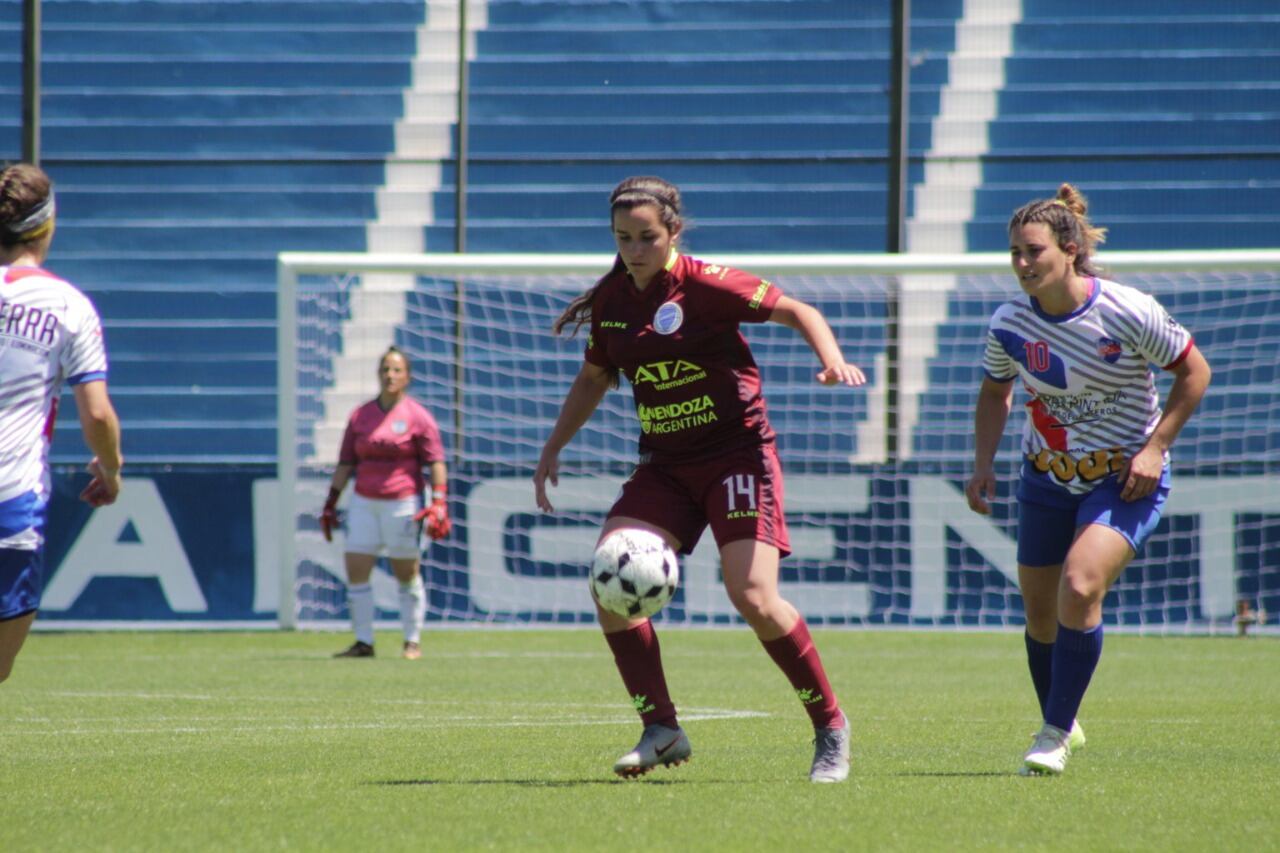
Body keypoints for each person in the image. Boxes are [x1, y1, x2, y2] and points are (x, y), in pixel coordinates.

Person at [533, 176, 866, 783]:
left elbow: (798, 309)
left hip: (737, 455)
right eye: (624, 238)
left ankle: (830, 726)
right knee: (609, 582)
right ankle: (661, 728)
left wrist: (831, 358)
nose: (635, 249)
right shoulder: (613, 301)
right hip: (664, 464)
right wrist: (554, 446)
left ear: (673, 233)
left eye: (647, 238)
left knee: (753, 597)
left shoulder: (708, 284)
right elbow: (592, 379)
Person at [965, 184, 1211, 776]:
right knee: (1040, 612)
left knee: (1079, 587)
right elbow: (996, 391)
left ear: (1069, 249)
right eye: (1015, 254)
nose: (1023, 265)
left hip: (1123, 478)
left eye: (1034, 251)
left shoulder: (1126, 310)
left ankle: (1051, 732)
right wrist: (981, 465)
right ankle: (1064, 716)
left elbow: (1194, 373)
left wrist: (1154, 450)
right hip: (1046, 477)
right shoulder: (1009, 323)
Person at [0, 162, 123, 684]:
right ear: (48, 226)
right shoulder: (69, 306)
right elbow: (95, 412)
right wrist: (111, 472)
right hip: (11, 497)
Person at [321, 346, 451, 660]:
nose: (390, 375)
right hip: (364, 501)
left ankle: (412, 640)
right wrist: (331, 502)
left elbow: (435, 461)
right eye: (385, 369)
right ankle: (364, 641)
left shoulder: (418, 416)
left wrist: (439, 501)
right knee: (356, 568)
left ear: (407, 377)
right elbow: (346, 462)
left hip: (402, 502)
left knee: (406, 572)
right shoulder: (360, 415)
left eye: (396, 370)